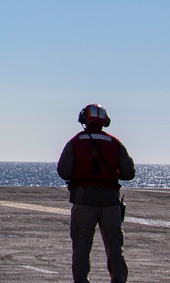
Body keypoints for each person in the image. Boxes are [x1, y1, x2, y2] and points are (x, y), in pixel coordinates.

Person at [57, 104, 136, 283]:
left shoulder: (75, 142)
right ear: (105, 121)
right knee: (114, 246)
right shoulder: (115, 143)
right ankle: (119, 279)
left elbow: (64, 171)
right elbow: (129, 173)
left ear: (84, 119)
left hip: (83, 201)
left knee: (81, 247)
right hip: (110, 202)